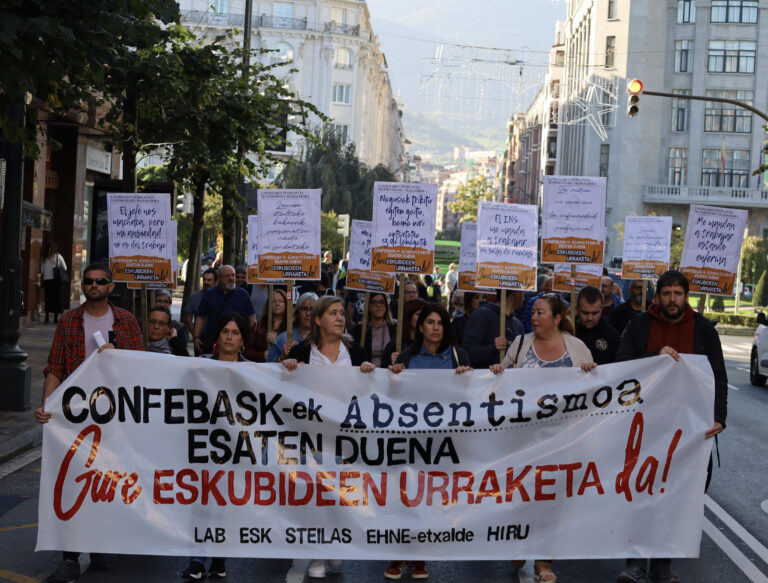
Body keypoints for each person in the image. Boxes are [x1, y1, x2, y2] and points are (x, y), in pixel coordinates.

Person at [614, 270, 726, 583]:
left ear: (686, 296)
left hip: (687, 430)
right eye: (666, 294)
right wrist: (654, 357)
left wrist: (720, 416)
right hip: (644, 426)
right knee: (640, 494)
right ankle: (635, 562)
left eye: (677, 294)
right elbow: (622, 365)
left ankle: (662, 564)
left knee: (673, 497)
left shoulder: (704, 330)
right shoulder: (639, 326)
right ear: (658, 296)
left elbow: (718, 376)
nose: (672, 299)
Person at [35, 263, 143, 583]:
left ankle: (98, 547)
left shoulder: (126, 321)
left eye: (100, 281)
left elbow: (140, 365)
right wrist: (47, 405)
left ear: (111, 287)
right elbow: (55, 365)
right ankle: (70, 556)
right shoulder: (69, 320)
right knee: (73, 479)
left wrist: (117, 355)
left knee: (105, 481)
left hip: (113, 415)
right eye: (89, 281)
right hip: (74, 413)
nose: (93, 285)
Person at [491, 293, 595, 583]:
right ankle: (520, 542)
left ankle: (543, 561)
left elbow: (594, 390)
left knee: (551, 502)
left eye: (541, 313)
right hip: (523, 441)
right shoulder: (521, 344)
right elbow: (501, 383)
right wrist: (499, 371)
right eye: (533, 313)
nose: (534, 318)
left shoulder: (577, 348)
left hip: (563, 441)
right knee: (523, 496)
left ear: (557, 318)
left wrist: (589, 372)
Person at [281, 295, 375, 579]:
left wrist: (371, 373)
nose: (340, 318)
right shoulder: (301, 351)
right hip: (312, 438)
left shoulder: (356, 354)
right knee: (316, 493)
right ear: (318, 320)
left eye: (342, 313)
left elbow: (371, 393)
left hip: (346, 438)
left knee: (340, 493)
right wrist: (286, 368)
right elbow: (281, 389)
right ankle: (319, 551)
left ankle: (335, 543)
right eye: (333, 313)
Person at [383, 303, 471, 581]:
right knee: (406, 495)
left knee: (430, 497)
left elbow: (474, 398)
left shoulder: (459, 357)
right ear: (420, 327)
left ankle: (420, 556)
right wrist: (393, 376)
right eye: (430, 322)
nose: (435, 328)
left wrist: (468, 379)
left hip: (445, 440)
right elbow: (390, 398)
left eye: (440, 323)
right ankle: (399, 554)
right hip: (411, 440)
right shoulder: (407, 357)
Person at [181, 313, 251, 581]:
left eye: (235, 332)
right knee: (201, 502)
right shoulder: (200, 366)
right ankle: (197, 560)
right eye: (225, 332)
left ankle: (219, 558)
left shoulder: (254, 371)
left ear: (243, 339)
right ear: (217, 337)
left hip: (236, 448)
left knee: (226, 505)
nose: (229, 337)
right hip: (203, 445)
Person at [193, 265, 255, 355]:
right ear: (219, 278)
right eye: (227, 276)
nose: (231, 278)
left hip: (236, 343)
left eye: (233, 275)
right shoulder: (209, 295)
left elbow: (251, 318)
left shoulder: (243, 295)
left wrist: (250, 340)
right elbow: (200, 317)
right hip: (214, 342)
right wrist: (196, 337)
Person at [463, 289, 524, 369]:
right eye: (523, 292)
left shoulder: (518, 325)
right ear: (516, 293)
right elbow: (466, 352)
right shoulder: (482, 315)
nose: (524, 297)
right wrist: (492, 348)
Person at [574, 285, 620, 365]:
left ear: (602, 309)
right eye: (585, 313)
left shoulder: (612, 335)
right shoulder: (568, 331)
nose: (590, 318)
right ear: (576, 309)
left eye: (595, 313)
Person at [267, 292, 318, 362]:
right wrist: (282, 357)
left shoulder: (324, 338)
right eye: (304, 309)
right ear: (297, 313)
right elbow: (268, 363)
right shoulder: (284, 338)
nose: (308, 313)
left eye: (312, 309)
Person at [381, 298, 427, 367]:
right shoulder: (394, 346)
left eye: (425, 315)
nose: (423, 318)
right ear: (408, 317)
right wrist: (394, 364)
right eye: (418, 314)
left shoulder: (430, 345)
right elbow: (383, 373)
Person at [245, 288, 287, 362]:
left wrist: (277, 340)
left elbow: (295, 351)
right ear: (268, 304)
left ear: (286, 304)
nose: (277, 304)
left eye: (281, 301)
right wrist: (263, 355)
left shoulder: (291, 325)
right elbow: (247, 351)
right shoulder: (259, 325)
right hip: (262, 369)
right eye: (273, 301)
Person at [154, 289, 189, 356]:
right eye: (159, 301)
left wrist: (174, 340)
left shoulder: (179, 328)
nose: (162, 304)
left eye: (166, 302)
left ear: (170, 304)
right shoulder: (145, 324)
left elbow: (183, 355)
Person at [183, 268, 217, 336]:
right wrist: (196, 335)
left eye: (209, 280)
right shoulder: (195, 297)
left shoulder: (220, 297)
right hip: (200, 339)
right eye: (204, 279)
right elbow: (188, 319)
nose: (206, 282)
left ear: (216, 282)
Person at [40, 242, 67, 324]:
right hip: (57, 281)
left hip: (47, 281)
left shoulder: (44, 258)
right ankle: (55, 318)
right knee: (57, 299)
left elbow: (42, 270)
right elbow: (65, 268)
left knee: (48, 299)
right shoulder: (58, 256)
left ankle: (47, 317)